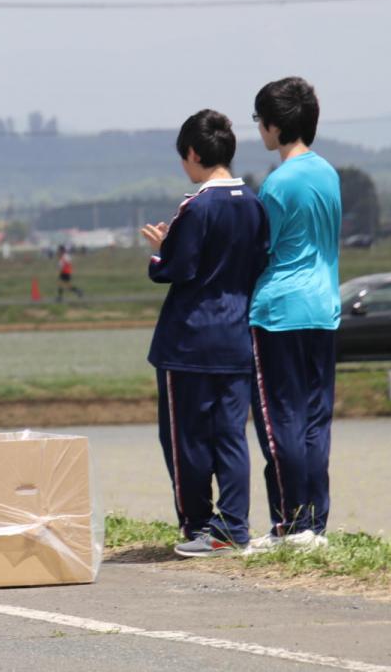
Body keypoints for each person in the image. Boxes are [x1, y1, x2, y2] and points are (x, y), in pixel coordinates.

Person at [141, 110, 269, 557]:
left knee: (185, 438)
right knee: (231, 434)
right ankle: (234, 524)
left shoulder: (196, 208)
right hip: (237, 333)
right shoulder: (254, 204)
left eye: (184, 158)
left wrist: (159, 253)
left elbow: (177, 269)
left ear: (194, 154)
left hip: (190, 339)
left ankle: (198, 524)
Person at [247, 77, 341, 553]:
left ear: (275, 126)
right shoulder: (328, 173)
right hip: (323, 307)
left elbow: (262, 249)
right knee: (314, 419)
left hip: (279, 310)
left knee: (279, 418)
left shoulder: (277, 184)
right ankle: (315, 525)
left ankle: (288, 524)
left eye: (259, 121)